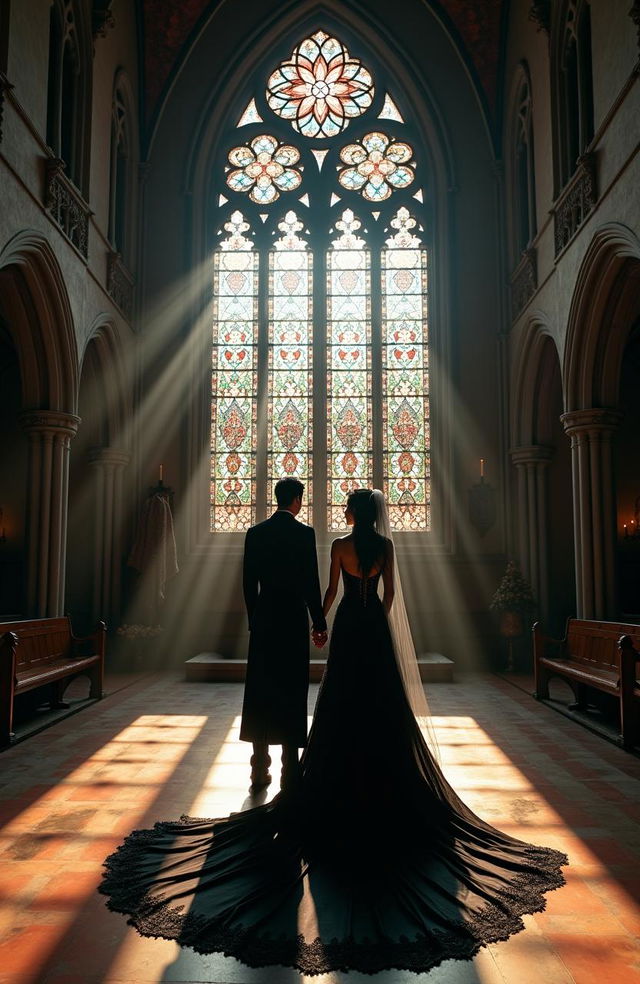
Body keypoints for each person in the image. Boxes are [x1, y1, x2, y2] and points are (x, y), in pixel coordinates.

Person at [100, 488, 567, 976]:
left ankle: (308, 766)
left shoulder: (327, 543)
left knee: (332, 698)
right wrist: (366, 621)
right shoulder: (381, 548)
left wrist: (318, 621)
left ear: (351, 514)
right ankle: (374, 766)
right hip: (372, 627)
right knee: (381, 700)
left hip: (333, 623)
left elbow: (319, 589)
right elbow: (388, 596)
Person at [240, 477, 327, 790]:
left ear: (277, 499)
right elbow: (310, 583)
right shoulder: (304, 534)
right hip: (291, 618)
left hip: (265, 617)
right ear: (298, 500)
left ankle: (258, 769)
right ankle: (290, 768)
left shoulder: (255, 533)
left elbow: (249, 584)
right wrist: (318, 621)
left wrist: (254, 619)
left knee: (261, 689)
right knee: (291, 687)